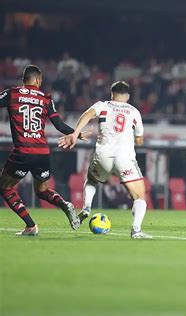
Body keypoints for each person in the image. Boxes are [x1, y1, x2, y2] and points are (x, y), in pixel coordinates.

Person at [58, 81, 152, 239]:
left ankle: (87, 207)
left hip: (103, 156)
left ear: (112, 94)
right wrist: (134, 139)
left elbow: (86, 115)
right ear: (127, 96)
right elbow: (139, 140)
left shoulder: (103, 105)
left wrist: (75, 134)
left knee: (92, 180)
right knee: (139, 197)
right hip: (125, 158)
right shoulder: (134, 111)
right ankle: (136, 230)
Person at [0, 65, 81, 236]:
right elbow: (58, 124)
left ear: (24, 79)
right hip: (42, 153)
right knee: (42, 190)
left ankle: (30, 225)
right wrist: (76, 134)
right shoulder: (46, 98)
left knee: (6, 187)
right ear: (38, 79)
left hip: (22, 151)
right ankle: (65, 204)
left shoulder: (12, 93)